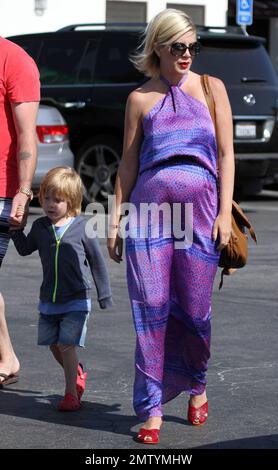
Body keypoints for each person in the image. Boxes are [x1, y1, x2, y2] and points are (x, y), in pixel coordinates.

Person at [107, 9, 234, 443]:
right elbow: (127, 164)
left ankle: (197, 384)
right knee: (150, 307)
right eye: (177, 47)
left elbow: (226, 155)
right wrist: (116, 218)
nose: (186, 55)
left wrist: (223, 214)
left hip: (200, 213)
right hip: (148, 212)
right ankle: (153, 407)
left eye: (192, 47)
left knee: (196, 312)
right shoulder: (140, 99)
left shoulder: (213, 90)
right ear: (158, 47)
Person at [10, 167, 113, 411]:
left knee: (67, 345)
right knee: (54, 344)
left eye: (58, 200)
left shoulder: (82, 227)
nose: (50, 204)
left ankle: (70, 394)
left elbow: (97, 262)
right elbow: (25, 249)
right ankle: (77, 371)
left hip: (76, 299)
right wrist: (15, 232)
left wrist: (104, 295)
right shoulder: (40, 227)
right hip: (48, 299)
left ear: (72, 201)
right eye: (47, 197)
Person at [0, 36, 40, 387]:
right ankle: (6, 356)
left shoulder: (14, 59)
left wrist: (24, 192)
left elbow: (28, 135)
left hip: (1, 189)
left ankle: (7, 356)